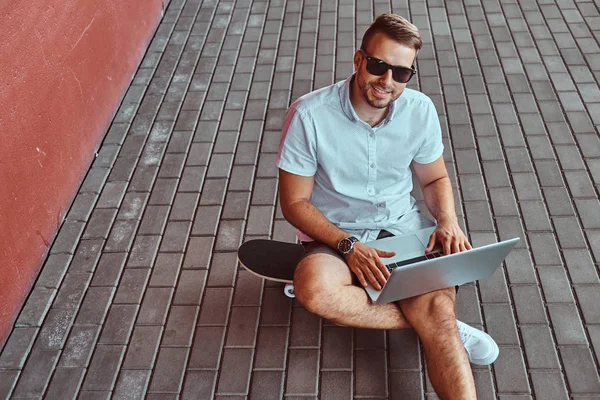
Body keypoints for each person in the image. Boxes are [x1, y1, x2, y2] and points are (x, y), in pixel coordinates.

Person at [276, 13, 497, 399]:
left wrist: (448, 220)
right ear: (359, 59)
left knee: (433, 312)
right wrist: (348, 246)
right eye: (378, 65)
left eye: (401, 73)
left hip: (403, 228)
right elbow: (294, 203)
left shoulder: (420, 110)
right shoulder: (309, 115)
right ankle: (440, 324)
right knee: (314, 290)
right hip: (336, 236)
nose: (387, 81)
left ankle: (437, 321)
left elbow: (434, 179)